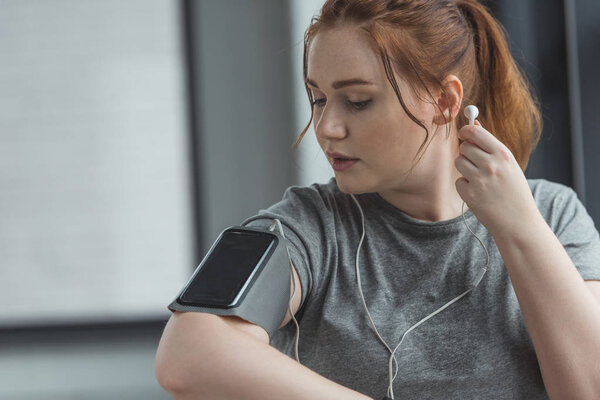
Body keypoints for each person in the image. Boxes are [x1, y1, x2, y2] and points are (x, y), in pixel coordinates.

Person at [155, 0, 600, 399]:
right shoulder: (305, 227)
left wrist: (520, 228)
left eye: (357, 101)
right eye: (318, 99)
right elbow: (189, 352)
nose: (328, 127)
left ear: (444, 102)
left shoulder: (554, 216)